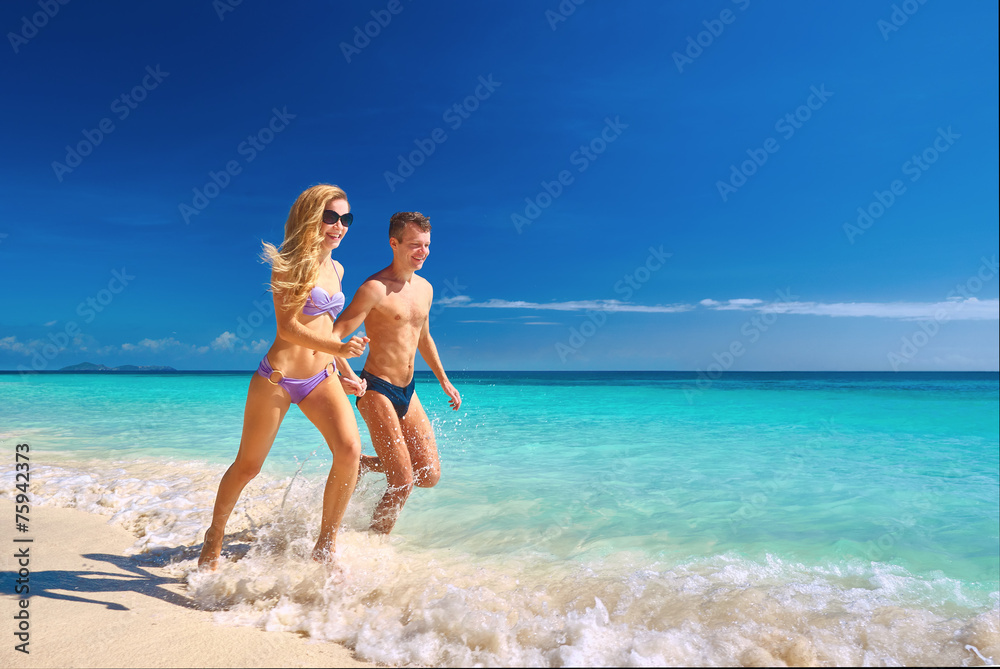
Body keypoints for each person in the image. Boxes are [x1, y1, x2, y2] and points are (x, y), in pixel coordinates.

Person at [198, 184, 370, 570]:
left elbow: (326, 327)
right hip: (278, 378)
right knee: (248, 466)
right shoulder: (289, 262)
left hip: (321, 377)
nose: (338, 226)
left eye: (346, 219)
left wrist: (346, 369)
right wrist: (341, 350)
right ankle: (215, 534)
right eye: (330, 217)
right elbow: (288, 327)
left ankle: (325, 546)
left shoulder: (337, 268)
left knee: (349, 452)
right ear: (311, 217)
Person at [332, 211, 461, 534]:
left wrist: (444, 380)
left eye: (427, 245)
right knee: (402, 481)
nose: (423, 252)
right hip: (376, 389)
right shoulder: (374, 288)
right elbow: (334, 335)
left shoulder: (426, 289)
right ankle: (375, 546)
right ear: (394, 243)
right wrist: (344, 372)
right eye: (415, 245)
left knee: (428, 474)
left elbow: (423, 337)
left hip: (409, 390)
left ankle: (363, 464)